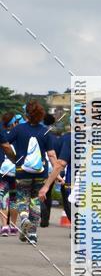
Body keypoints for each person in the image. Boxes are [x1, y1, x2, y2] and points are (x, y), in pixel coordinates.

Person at [0, 101, 54, 245]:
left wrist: (14, 158)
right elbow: (52, 155)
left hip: (22, 171)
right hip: (40, 173)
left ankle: (24, 219)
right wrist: (57, 172)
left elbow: (5, 144)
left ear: (26, 115)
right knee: (35, 201)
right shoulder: (45, 131)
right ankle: (33, 235)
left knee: (22, 198)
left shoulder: (19, 129)